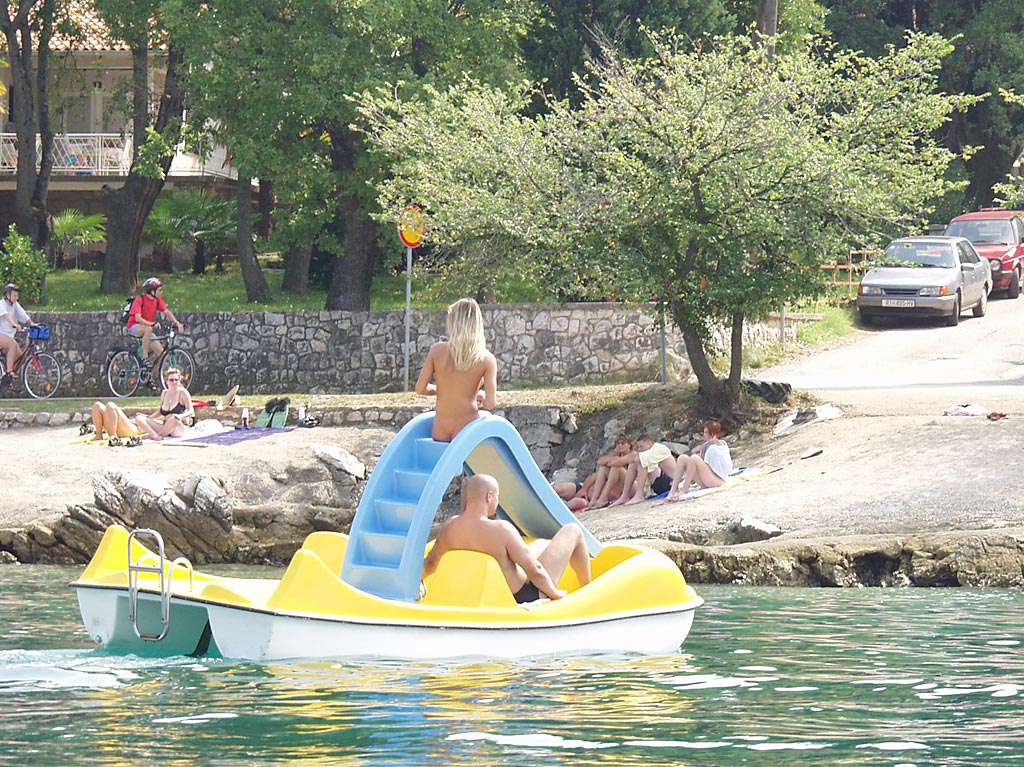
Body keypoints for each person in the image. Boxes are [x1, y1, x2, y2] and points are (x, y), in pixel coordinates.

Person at [422, 474, 592, 604]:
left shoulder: (450, 527)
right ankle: (589, 590)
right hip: (525, 596)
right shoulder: (501, 529)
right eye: (497, 496)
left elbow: (430, 564)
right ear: (489, 497)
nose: (497, 501)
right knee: (573, 530)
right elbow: (535, 570)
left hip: (485, 594)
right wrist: (554, 593)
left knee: (540, 544)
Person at [415, 297, 498, 441]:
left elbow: (420, 389)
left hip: (440, 430)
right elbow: (490, 404)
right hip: (467, 428)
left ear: (453, 323)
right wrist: (480, 396)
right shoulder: (486, 359)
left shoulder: (436, 351)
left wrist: (443, 390)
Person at [551, 435, 634, 511]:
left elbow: (615, 463)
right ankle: (546, 494)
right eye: (618, 444)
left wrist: (611, 460)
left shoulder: (630, 458)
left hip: (597, 496)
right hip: (587, 489)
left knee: (577, 502)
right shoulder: (610, 463)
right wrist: (584, 489)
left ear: (629, 445)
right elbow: (600, 463)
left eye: (623, 443)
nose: (620, 445)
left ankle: (556, 508)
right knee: (560, 488)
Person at [126, 277, 184, 381]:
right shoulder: (140, 299)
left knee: (161, 354)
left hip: (147, 329)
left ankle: (150, 377)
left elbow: (166, 312)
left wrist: (177, 323)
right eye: (159, 290)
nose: (161, 292)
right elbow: (137, 318)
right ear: (152, 291)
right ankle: (144, 358)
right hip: (134, 327)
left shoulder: (157, 300)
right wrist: (151, 324)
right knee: (148, 329)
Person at [665, 420, 733, 501]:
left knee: (694, 458)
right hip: (708, 478)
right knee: (682, 458)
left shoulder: (715, 447)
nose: (704, 435)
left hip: (718, 480)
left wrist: (696, 463)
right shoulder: (707, 445)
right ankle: (672, 491)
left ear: (712, 433)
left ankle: (684, 489)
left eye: (706, 432)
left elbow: (718, 468)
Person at [609, 434, 676, 506]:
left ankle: (639, 495)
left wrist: (618, 461)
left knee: (641, 462)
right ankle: (625, 495)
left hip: (671, 484)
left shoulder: (658, 448)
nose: (640, 449)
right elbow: (634, 459)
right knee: (634, 463)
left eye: (641, 446)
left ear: (648, 442)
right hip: (659, 484)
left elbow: (637, 458)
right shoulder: (651, 453)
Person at [134, 367, 194, 441]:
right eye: (171, 380)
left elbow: (191, 411)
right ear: (167, 381)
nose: (174, 382)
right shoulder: (164, 393)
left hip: (177, 428)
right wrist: (148, 417)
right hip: (165, 427)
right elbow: (160, 411)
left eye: (176, 380)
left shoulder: (183, 393)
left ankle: (155, 436)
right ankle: (155, 436)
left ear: (179, 381)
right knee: (139, 418)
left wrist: (180, 416)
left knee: (173, 417)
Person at [0, 283, 31, 389]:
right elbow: (6, 316)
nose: (16, 298)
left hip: (8, 338)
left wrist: (33, 324)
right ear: (7, 295)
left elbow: (24, 316)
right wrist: (15, 325)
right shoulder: (1, 304)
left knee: (20, 357)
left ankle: (6, 381)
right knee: (12, 345)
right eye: (14, 295)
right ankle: (9, 372)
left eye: (17, 296)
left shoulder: (15, 305)